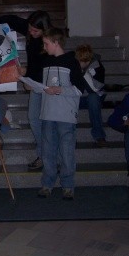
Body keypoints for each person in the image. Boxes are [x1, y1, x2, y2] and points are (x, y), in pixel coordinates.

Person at [0, 10, 53, 170]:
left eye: (36, 31)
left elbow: (47, 65)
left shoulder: (51, 39)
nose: (31, 32)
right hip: (35, 83)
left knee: (47, 123)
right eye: (30, 29)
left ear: (45, 30)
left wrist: (28, 74)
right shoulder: (30, 29)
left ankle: (49, 157)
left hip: (49, 85)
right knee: (34, 119)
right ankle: (43, 156)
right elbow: (12, 20)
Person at [38, 28, 86, 200]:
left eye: (46, 43)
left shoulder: (72, 61)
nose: (44, 47)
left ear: (56, 42)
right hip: (48, 113)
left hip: (65, 114)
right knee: (48, 151)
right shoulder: (44, 61)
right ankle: (47, 184)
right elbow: (39, 84)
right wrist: (28, 83)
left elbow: (79, 89)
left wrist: (59, 89)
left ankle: (67, 185)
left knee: (66, 152)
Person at [75, 44, 107, 147]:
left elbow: (94, 89)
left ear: (87, 61)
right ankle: (69, 136)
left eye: (80, 61)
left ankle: (99, 136)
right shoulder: (74, 65)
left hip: (93, 96)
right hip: (78, 97)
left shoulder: (98, 67)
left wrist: (83, 74)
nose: (77, 64)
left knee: (93, 98)